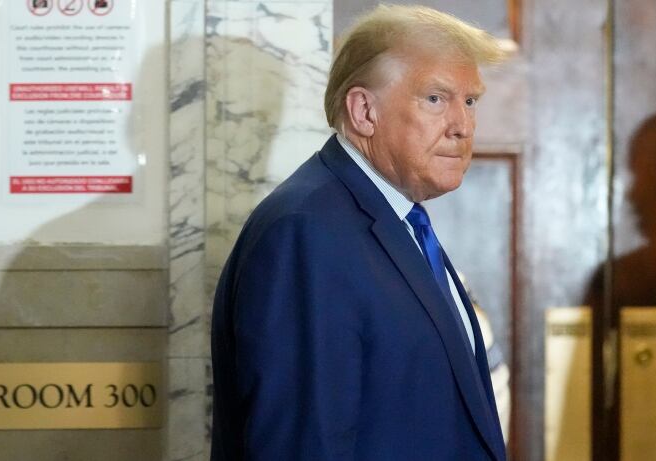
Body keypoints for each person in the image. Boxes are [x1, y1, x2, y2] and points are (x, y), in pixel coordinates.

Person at [211, 5, 508, 460]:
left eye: (470, 101)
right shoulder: (306, 233)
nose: (463, 126)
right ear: (364, 110)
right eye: (435, 98)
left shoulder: (396, 219)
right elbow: (304, 446)